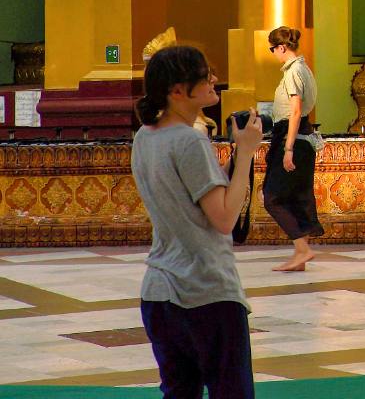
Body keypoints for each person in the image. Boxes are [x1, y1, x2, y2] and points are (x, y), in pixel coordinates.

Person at [134, 43, 260, 399]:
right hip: (204, 290)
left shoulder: (145, 136)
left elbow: (191, 198)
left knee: (179, 393)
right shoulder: (189, 140)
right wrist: (247, 153)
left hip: (159, 288)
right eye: (205, 77)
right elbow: (223, 218)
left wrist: (233, 158)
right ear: (177, 90)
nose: (214, 82)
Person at [262, 27, 323, 274]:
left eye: (273, 49)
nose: (274, 53)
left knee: (272, 197)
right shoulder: (304, 68)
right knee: (297, 196)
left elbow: (296, 110)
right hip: (299, 137)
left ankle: (302, 248)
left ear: (282, 47)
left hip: (292, 138)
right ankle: (300, 254)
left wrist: (287, 149)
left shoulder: (293, 72)